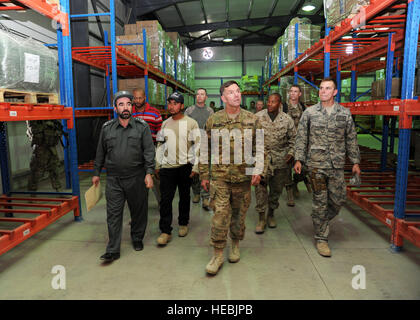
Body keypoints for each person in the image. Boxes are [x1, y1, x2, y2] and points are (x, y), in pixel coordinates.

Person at [200, 80, 267, 275]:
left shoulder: (252, 119)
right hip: (219, 178)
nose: (236, 95)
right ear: (223, 98)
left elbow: (260, 147)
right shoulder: (214, 120)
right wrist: (204, 173)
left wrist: (258, 170)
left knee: (238, 215)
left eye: (238, 91)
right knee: (220, 215)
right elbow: (205, 149)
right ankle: (218, 253)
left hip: (243, 177)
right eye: (231, 92)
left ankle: (235, 244)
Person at [294, 78, 361, 257]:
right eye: (321, 88)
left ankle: (320, 219)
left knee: (338, 200)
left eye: (327, 88)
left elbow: (351, 138)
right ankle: (321, 238)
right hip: (315, 165)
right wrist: (298, 159)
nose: (323, 91)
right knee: (320, 201)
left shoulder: (344, 113)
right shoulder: (309, 113)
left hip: (337, 165)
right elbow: (301, 138)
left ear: (335, 92)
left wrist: (355, 161)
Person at [93, 91, 155, 262]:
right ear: (115, 108)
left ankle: (137, 238)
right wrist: (96, 173)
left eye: (128, 104)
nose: (125, 107)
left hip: (137, 177)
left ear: (132, 106)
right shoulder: (107, 129)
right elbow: (100, 152)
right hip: (114, 179)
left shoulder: (142, 127)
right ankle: (113, 249)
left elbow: (149, 152)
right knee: (113, 214)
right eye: (121, 104)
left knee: (138, 211)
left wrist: (149, 173)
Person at [155, 92, 200, 246]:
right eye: (169, 103)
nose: (171, 106)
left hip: (185, 166)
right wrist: (157, 164)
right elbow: (160, 145)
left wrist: (196, 166)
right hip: (168, 167)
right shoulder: (165, 123)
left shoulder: (191, 123)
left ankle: (183, 223)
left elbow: (198, 147)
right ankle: (165, 230)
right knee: (165, 199)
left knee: (184, 196)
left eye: (175, 103)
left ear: (181, 106)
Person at [254, 93, 296, 234]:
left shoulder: (287, 119)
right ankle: (261, 218)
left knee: (276, 190)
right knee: (260, 190)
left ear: (279, 104)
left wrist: (291, 153)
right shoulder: (258, 117)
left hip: (280, 160)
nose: (270, 104)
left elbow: (294, 139)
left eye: (273, 102)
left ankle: (271, 213)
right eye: (269, 101)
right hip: (261, 159)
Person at [132, 88, 163, 208]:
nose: (138, 100)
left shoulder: (154, 113)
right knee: (137, 182)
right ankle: (138, 211)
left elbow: (160, 135)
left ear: (145, 97)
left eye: (140, 98)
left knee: (156, 179)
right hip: (134, 152)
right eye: (135, 98)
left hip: (152, 150)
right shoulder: (129, 112)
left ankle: (162, 205)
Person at [184, 88, 214, 210]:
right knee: (194, 171)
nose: (200, 96)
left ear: (206, 97)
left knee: (205, 171)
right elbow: (184, 126)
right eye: (198, 94)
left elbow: (213, 127)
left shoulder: (210, 111)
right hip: (192, 145)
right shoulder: (189, 110)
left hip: (206, 145)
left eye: (202, 94)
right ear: (195, 97)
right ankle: (196, 192)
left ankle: (205, 196)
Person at [283, 84, 312, 197]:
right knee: (286, 170)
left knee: (304, 168)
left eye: (295, 91)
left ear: (300, 94)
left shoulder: (304, 108)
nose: (293, 93)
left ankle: (296, 181)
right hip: (287, 143)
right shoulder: (283, 107)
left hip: (301, 143)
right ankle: (290, 192)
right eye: (291, 91)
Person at [27, 120, 64, 194]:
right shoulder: (34, 119)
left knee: (55, 170)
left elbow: (58, 129)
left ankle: (59, 191)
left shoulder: (52, 118)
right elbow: (33, 130)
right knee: (37, 171)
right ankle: (32, 193)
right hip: (40, 149)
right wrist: (45, 125)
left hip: (51, 148)